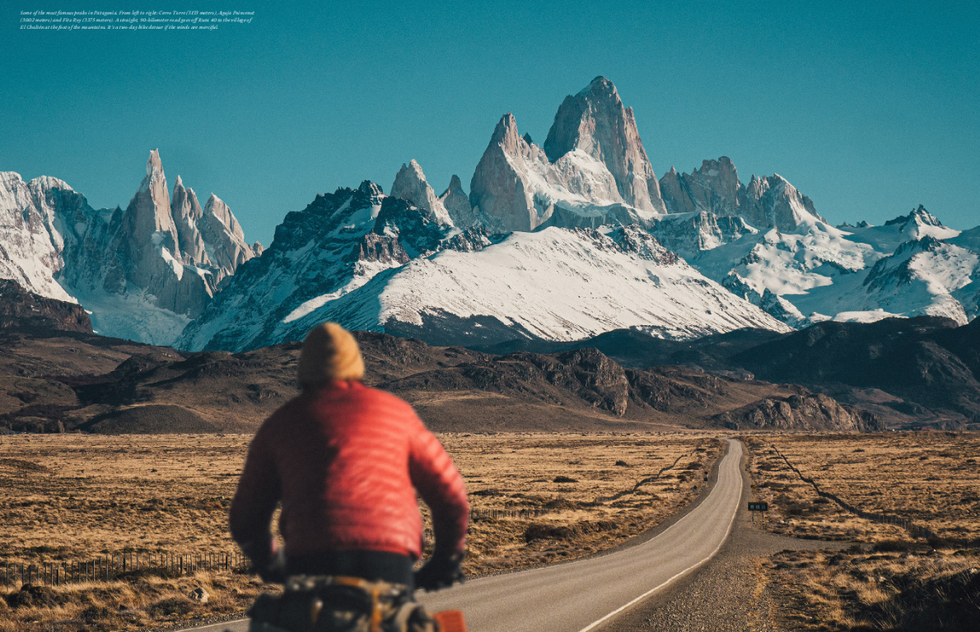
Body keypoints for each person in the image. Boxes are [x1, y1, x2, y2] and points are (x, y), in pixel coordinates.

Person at [230, 322, 469, 631]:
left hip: (310, 565)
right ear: (356, 366)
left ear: (303, 371)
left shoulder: (281, 423)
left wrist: (270, 563)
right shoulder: (396, 414)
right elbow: (451, 496)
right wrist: (445, 561)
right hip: (390, 565)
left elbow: (246, 517)